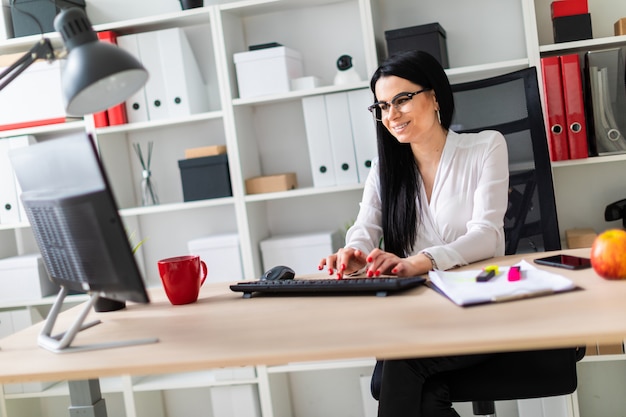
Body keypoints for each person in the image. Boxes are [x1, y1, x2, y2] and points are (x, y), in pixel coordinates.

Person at [318, 50, 509, 416]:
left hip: (477, 309)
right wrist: (355, 251)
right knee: (421, 393)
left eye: (402, 99)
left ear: (434, 96)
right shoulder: (386, 168)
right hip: (417, 316)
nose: (392, 115)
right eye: (382, 106)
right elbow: (366, 224)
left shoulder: (485, 147)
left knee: (398, 370)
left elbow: (488, 236)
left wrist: (419, 262)